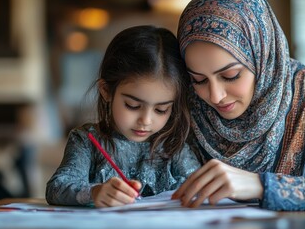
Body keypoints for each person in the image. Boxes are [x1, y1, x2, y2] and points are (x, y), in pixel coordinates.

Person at [171, 0, 305, 211]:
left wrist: (262, 185)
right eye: (199, 80)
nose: (215, 96)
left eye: (231, 75)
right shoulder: (186, 98)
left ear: (262, 57)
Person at [46, 25, 201, 207]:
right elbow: (56, 188)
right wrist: (94, 192)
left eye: (161, 110)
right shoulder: (86, 141)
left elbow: (199, 188)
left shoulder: (174, 145)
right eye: (133, 106)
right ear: (106, 91)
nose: (146, 120)